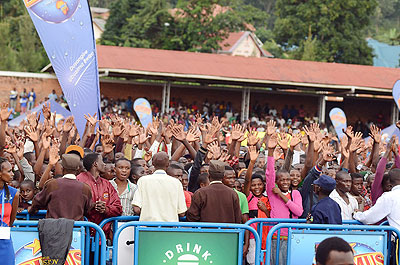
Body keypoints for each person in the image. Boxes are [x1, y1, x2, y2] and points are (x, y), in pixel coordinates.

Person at [29, 154, 93, 221]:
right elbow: (87, 209)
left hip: (53, 228)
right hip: (75, 228)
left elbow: (38, 202)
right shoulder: (85, 188)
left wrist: (31, 209)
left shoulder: (52, 184)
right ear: (78, 169)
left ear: (62, 168)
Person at [77, 152, 122, 237]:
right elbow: (73, 207)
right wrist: (92, 206)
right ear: (95, 164)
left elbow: (118, 208)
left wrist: (106, 209)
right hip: (82, 234)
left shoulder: (107, 184)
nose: (104, 164)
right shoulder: (79, 181)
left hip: (102, 235)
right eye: (102, 161)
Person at [132, 152, 187, 221]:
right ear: (168, 164)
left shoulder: (143, 180)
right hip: (169, 228)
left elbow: (136, 209)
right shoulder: (176, 183)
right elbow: (181, 212)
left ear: (152, 163)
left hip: (147, 227)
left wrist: (147, 214)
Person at [0, 157, 19, 265]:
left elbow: (10, 222)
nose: (12, 174)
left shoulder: (14, 194)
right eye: (9, 171)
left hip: (5, 242)